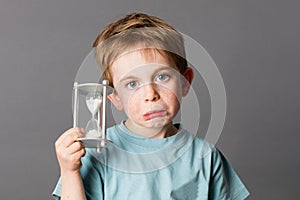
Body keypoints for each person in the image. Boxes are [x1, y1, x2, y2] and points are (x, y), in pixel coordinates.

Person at [52, 13, 249, 200]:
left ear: (185, 81)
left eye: (162, 77)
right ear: (115, 98)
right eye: (132, 84)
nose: (150, 95)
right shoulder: (96, 152)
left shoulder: (205, 156)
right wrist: (69, 172)